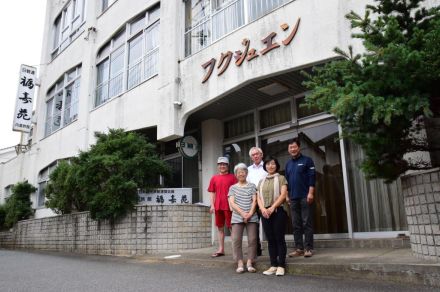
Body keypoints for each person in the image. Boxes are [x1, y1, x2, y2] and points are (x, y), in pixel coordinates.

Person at [257, 156, 288, 276]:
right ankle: (273, 264)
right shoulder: (261, 181)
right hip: (265, 212)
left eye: (273, 164)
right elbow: (258, 197)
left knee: (279, 238)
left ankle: (281, 265)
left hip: (278, 211)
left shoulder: (281, 178)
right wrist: (262, 209)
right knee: (270, 239)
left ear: (277, 166)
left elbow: (283, 195)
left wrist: (272, 207)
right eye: (268, 164)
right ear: (265, 166)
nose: (270, 166)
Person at [285, 138, 316, 258]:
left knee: (306, 222)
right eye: (290, 148)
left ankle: (308, 248)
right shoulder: (288, 164)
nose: (293, 149)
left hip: (304, 196)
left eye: (294, 147)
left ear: (299, 147)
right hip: (293, 198)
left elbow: (312, 178)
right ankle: (299, 248)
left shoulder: (307, 161)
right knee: (296, 224)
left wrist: (311, 193)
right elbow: (286, 182)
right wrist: (287, 196)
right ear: (288, 150)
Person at [228, 163, 258, 273]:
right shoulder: (232, 188)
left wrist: (249, 213)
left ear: (246, 173)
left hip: (252, 216)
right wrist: (242, 213)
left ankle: (250, 261)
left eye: (243, 171)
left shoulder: (252, 186)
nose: (241, 173)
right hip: (237, 216)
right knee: (236, 240)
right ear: (236, 174)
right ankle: (240, 262)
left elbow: (254, 201)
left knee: (253, 239)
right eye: (239, 172)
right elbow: (232, 202)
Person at [208, 156, 237, 258]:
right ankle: (221, 249)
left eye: (224, 164)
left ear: (228, 166)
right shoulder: (214, 178)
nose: (222, 166)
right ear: (218, 166)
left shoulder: (233, 177)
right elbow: (212, 192)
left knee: (231, 227)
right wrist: (212, 205)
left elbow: (237, 192)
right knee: (220, 228)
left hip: (230, 206)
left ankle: (235, 250)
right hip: (218, 206)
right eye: (220, 164)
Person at [247, 146, 267, 256]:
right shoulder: (248, 170)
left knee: (268, 224)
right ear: (251, 157)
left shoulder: (267, 166)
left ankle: (272, 247)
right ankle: (256, 249)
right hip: (253, 200)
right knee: (254, 226)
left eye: (257, 154)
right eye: (253, 155)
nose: (255, 156)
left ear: (261, 155)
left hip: (266, 199)